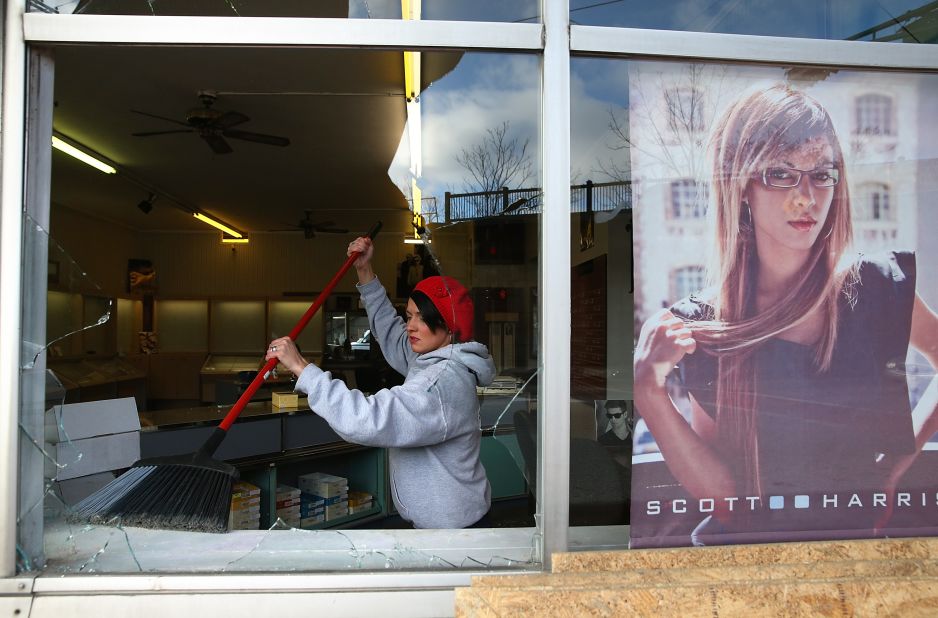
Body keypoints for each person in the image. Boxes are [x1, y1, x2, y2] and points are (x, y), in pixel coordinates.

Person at [633, 84, 938, 542]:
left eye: (822, 173)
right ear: (740, 188)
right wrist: (647, 392)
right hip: (745, 571)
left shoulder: (875, 287)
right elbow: (729, 504)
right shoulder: (702, 325)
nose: (806, 197)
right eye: (780, 174)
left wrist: (899, 461)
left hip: (859, 562)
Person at [266, 236, 495, 529]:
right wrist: (365, 271)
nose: (410, 325)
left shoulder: (439, 384)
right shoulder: (433, 357)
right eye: (409, 315)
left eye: (421, 319)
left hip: (454, 534)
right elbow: (391, 332)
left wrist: (302, 367)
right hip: (447, 522)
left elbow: (368, 420)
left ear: (450, 327)